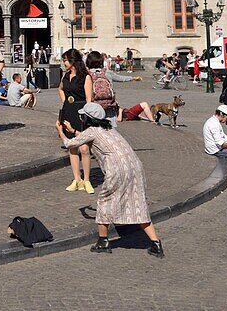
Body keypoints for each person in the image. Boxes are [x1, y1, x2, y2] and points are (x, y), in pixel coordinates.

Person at [66, 103, 164, 258]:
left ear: (87, 118)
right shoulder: (109, 128)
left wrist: (61, 130)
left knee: (104, 201)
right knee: (137, 203)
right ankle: (155, 243)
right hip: (135, 166)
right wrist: (75, 131)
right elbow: (90, 138)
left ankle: (103, 241)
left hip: (117, 169)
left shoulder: (91, 131)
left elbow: (69, 144)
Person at [58, 50, 95, 193]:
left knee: (84, 147)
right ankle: (77, 179)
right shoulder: (65, 76)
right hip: (68, 111)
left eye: (65, 60)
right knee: (72, 146)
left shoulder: (85, 77)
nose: (64, 63)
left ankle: (87, 180)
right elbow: (60, 89)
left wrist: (87, 115)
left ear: (73, 61)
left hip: (81, 112)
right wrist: (65, 101)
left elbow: (89, 99)